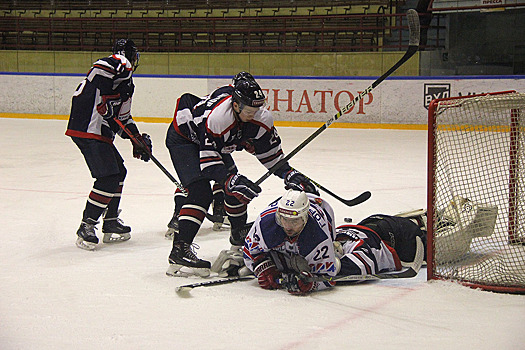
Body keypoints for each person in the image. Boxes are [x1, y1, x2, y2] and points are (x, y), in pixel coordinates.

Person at [165, 72, 318, 277]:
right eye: (249, 110)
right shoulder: (219, 118)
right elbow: (209, 164)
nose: (254, 113)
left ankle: (238, 242)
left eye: (257, 108)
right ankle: (180, 250)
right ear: (236, 105)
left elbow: (270, 154)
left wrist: (288, 174)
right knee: (200, 192)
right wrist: (228, 180)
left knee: (237, 190)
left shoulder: (260, 117)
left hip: (216, 143)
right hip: (186, 138)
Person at [241, 189, 427, 295]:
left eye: (294, 221)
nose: (288, 226)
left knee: (419, 241)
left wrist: (310, 283)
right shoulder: (267, 223)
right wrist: (263, 267)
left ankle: (420, 224)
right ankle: (417, 222)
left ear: (305, 219)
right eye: (284, 220)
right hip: (368, 229)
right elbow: (249, 252)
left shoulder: (317, 236)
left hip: (392, 238)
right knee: (375, 227)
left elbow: (327, 278)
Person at [65, 38, 152, 251]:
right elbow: (99, 68)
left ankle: (111, 220)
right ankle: (87, 225)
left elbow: (123, 119)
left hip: (97, 131)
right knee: (108, 177)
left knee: (119, 171)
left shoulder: (126, 84)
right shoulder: (118, 66)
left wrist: (136, 140)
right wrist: (107, 96)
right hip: (88, 128)